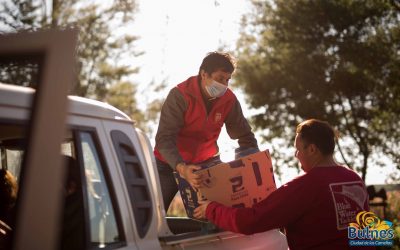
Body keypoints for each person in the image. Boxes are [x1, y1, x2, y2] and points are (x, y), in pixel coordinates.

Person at [194, 119, 374, 250]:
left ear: (312, 149)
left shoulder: (306, 185)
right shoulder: (354, 179)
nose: (296, 155)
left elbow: (250, 221)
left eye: (298, 149)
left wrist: (211, 209)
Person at [154, 51, 259, 210]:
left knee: (219, 212)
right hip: (168, 164)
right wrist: (182, 168)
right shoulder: (180, 95)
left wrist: (252, 168)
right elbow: (164, 139)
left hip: (206, 163)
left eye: (227, 80)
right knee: (154, 214)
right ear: (204, 74)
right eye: (219, 79)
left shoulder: (229, 100)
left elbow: (244, 136)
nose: (224, 85)